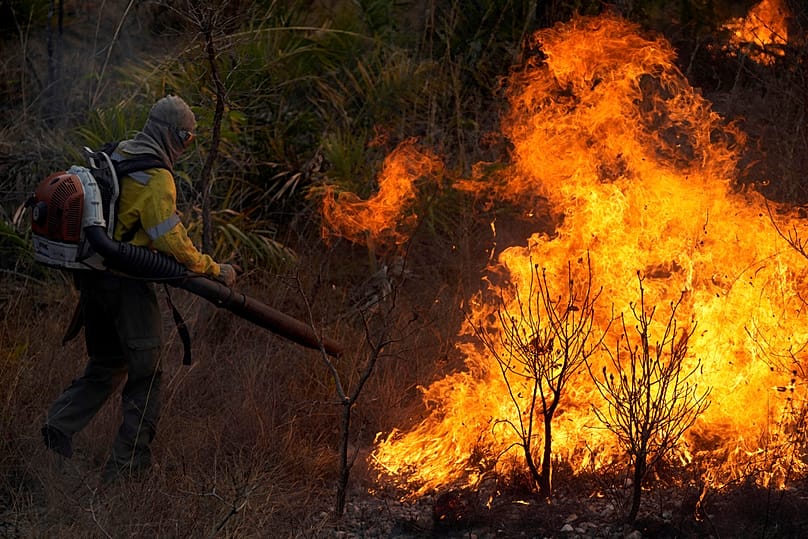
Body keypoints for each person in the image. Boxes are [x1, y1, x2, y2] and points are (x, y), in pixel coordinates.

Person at [41, 95, 238, 482]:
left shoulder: (119, 152)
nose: (186, 146)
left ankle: (58, 424)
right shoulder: (157, 177)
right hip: (127, 286)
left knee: (106, 364)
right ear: (171, 135)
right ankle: (127, 470)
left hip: (94, 279)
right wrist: (215, 269)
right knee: (146, 376)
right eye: (186, 138)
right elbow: (171, 241)